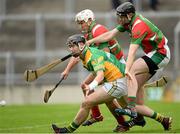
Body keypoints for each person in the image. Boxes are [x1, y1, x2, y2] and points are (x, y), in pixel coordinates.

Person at [52, 34, 171, 133]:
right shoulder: (86, 55)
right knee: (130, 107)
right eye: (69, 47)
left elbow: (100, 75)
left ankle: (67, 130)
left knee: (86, 102)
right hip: (119, 80)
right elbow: (100, 71)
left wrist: (91, 86)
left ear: (81, 45)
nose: (70, 49)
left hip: (117, 82)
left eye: (72, 46)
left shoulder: (92, 56)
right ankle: (163, 120)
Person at [86, 2, 172, 130]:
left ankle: (131, 109)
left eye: (121, 16)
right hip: (153, 54)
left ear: (130, 15)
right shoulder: (127, 22)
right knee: (134, 92)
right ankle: (160, 120)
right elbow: (109, 35)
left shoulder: (138, 25)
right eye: (118, 16)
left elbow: (132, 52)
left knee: (130, 71)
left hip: (160, 54)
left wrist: (127, 69)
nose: (119, 19)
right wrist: (90, 41)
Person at [61, 9, 133, 132]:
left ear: (89, 20)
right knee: (99, 93)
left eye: (82, 22)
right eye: (79, 23)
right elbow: (77, 54)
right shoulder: (87, 34)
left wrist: (99, 73)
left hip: (114, 65)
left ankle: (98, 115)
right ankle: (109, 119)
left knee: (123, 103)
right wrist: (67, 70)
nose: (80, 25)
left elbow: (105, 54)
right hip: (107, 65)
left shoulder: (97, 30)